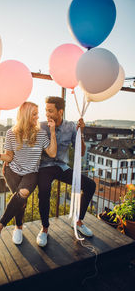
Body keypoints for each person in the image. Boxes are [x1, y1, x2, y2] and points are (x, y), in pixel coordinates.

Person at [0, 101, 57, 250]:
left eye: (37, 114)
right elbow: (9, 157)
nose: (38, 117)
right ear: (25, 115)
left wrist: (53, 132)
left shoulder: (41, 133)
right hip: (12, 171)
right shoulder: (11, 133)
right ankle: (18, 227)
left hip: (31, 173)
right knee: (20, 201)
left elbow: (52, 153)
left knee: (22, 194)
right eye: (34, 114)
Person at [36, 96, 96, 247]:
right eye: (46, 110)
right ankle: (44, 229)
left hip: (62, 166)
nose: (47, 114)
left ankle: (78, 221)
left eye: (50, 111)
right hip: (45, 167)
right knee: (44, 189)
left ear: (60, 111)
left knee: (90, 185)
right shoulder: (40, 126)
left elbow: (81, 152)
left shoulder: (70, 127)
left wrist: (81, 133)